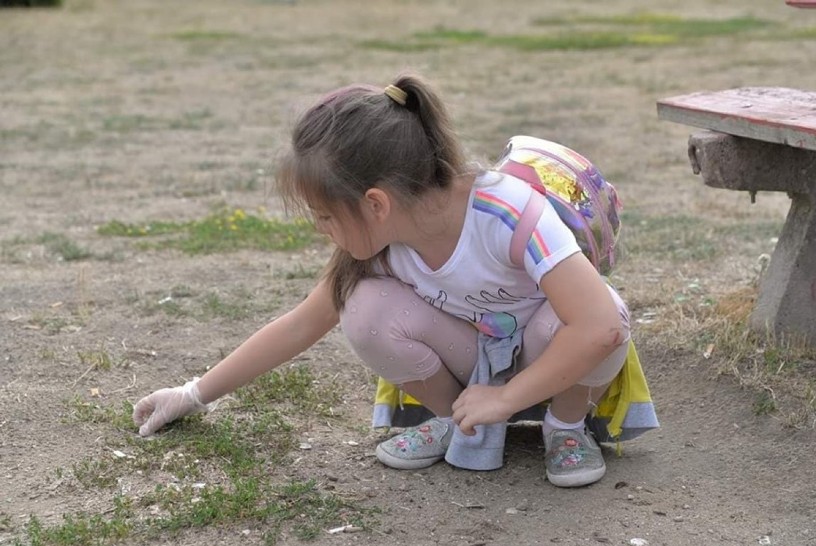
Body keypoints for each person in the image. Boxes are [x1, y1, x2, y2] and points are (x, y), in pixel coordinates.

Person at [132, 74, 632, 488]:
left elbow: (598, 328)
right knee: (364, 308)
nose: (319, 228)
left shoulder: (508, 212)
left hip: (554, 361)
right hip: (476, 362)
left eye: (324, 215)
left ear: (375, 203)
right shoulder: (381, 240)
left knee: (595, 312)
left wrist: (505, 398)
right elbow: (299, 326)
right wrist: (193, 394)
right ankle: (449, 419)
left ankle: (566, 427)